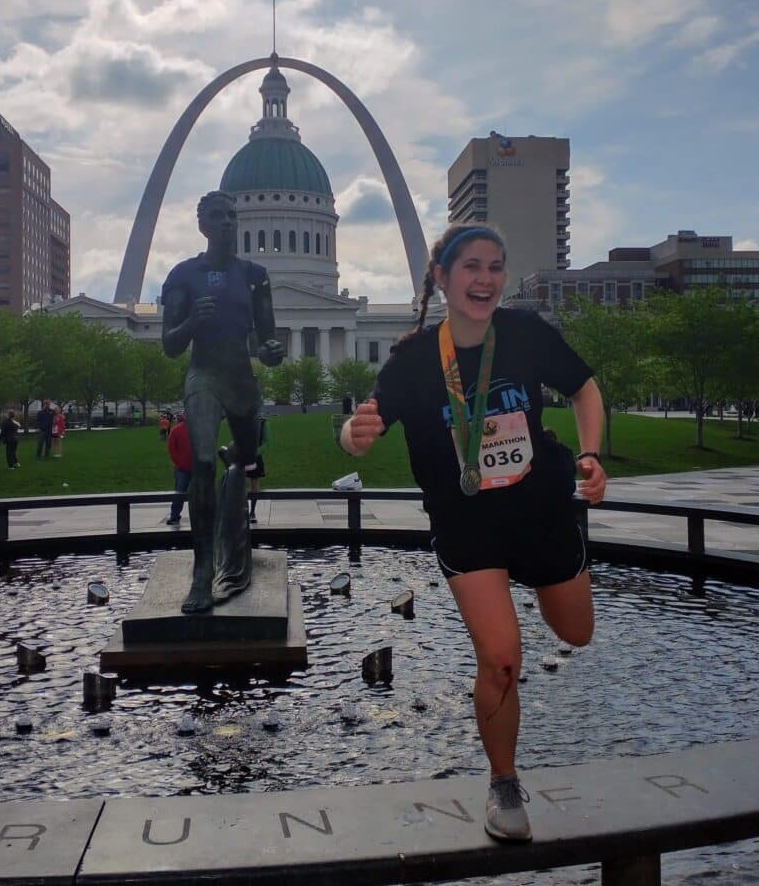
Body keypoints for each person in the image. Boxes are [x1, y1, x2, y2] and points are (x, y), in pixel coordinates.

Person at [341, 223, 606, 844]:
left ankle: (545, 582)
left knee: (576, 631)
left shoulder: (525, 334)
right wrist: (352, 435)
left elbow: (586, 389)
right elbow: (361, 427)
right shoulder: (411, 360)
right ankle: (504, 781)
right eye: (471, 267)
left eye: (495, 267)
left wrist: (591, 456)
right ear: (441, 277)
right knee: (503, 656)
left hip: (541, 508)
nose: (485, 279)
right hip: (466, 523)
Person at [161, 189, 285, 612]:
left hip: (241, 380)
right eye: (219, 215)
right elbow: (169, 346)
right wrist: (192, 321)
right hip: (205, 376)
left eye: (232, 214)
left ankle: (229, 508)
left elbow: (266, 336)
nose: (228, 221)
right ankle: (202, 575)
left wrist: (270, 350)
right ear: (203, 225)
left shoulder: (254, 274)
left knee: (245, 454)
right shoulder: (183, 276)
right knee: (202, 461)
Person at [165, 412, 192, 526]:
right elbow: (172, 449)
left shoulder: (177, 430)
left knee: (179, 492)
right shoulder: (176, 430)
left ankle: (175, 516)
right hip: (184, 468)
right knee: (180, 493)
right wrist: (179, 463)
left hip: (186, 468)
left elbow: (171, 449)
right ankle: (174, 515)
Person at [247, 417, 268, 523]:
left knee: (254, 487)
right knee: (237, 485)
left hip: (255, 457)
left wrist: (257, 451)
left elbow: (267, 442)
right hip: (241, 457)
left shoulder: (262, 422)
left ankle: (252, 512)